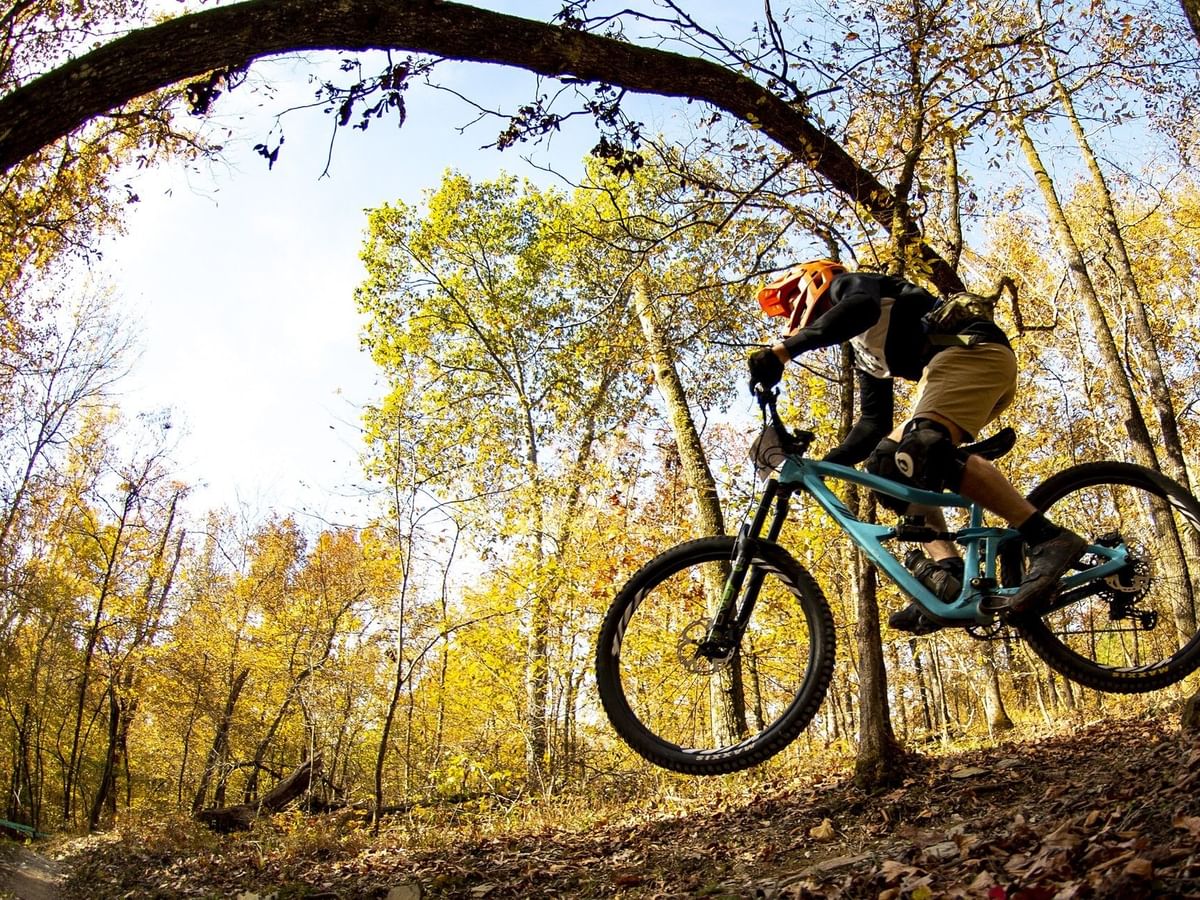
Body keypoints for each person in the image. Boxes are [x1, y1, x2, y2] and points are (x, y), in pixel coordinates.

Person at [748, 260, 1085, 634]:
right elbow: (872, 425)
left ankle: (1047, 537)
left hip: (973, 353)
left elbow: (859, 309)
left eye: (795, 299)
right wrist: (822, 465)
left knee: (921, 448)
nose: (800, 310)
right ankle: (951, 575)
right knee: (886, 468)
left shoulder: (853, 286)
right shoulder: (864, 353)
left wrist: (781, 352)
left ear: (813, 282)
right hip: (955, 372)